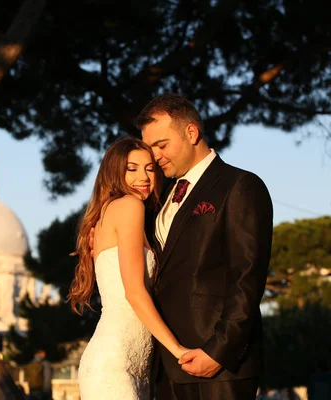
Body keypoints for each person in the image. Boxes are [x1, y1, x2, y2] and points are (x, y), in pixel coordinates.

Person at [137, 93, 273, 400]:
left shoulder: (240, 185)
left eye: (161, 145)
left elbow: (247, 277)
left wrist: (219, 351)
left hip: (219, 367)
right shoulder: (160, 199)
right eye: (150, 149)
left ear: (191, 133)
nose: (155, 157)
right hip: (164, 364)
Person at [70, 137, 189, 400]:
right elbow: (134, 293)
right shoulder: (128, 206)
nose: (144, 177)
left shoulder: (112, 212)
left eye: (149, 168)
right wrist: (178, 350)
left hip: (133, 367)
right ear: (114, 172)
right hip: (113, 365)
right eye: (131, 168)